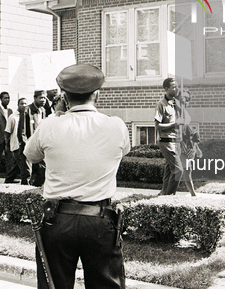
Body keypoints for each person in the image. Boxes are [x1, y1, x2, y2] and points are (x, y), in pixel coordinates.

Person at [24, 63, 129, 289]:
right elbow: (124, 150)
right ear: (97, 93)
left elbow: (30, 155)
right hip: (100, 219)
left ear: (64, 96)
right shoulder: (116, 126)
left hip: (57, 219)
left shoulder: (49, 125)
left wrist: (57, 117)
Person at [155, 78, 183, 196]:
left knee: (169, 170)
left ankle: (163, 194)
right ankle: (169, 197)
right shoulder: (161, 104)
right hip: (166, 142)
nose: (176, 89)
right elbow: (157, 126)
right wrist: (173, 124)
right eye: (174, 87)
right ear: (166, 89)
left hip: (175, 141)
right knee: (178, 170)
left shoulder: (176, 103)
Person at [177, 89, 202, 197]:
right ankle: (192, 193)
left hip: (189, 145)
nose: (185, 101)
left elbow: (190, 133)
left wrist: (197, 148)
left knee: (186, 169)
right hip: (180, 144)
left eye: (187, 99)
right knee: (185, 169)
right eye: (182, 98)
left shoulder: (185, 112)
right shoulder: (176, 111)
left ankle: (167, 191)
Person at [19, 90, 47, 186]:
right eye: (41, 98)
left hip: (39, 145)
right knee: (27, 172)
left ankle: (35, 191)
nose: (43, 100)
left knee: (42, 169)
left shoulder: (43, 111)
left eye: (44, 98)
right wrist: (24, 144)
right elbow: (22, 129)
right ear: (35, 98)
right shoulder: (27, 110)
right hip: (28, 145)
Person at [6, 97, 30, 185]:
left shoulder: (27, 116)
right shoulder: (13, 117)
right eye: (21, 104)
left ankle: (9, 179)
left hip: (24, 144)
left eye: (25, 104)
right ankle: (25, 182)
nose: (24, 106)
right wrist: (8, 145)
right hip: (16, 144)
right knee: (23, 165)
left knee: (17, 165)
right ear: (18, 105)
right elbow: (7, 132)